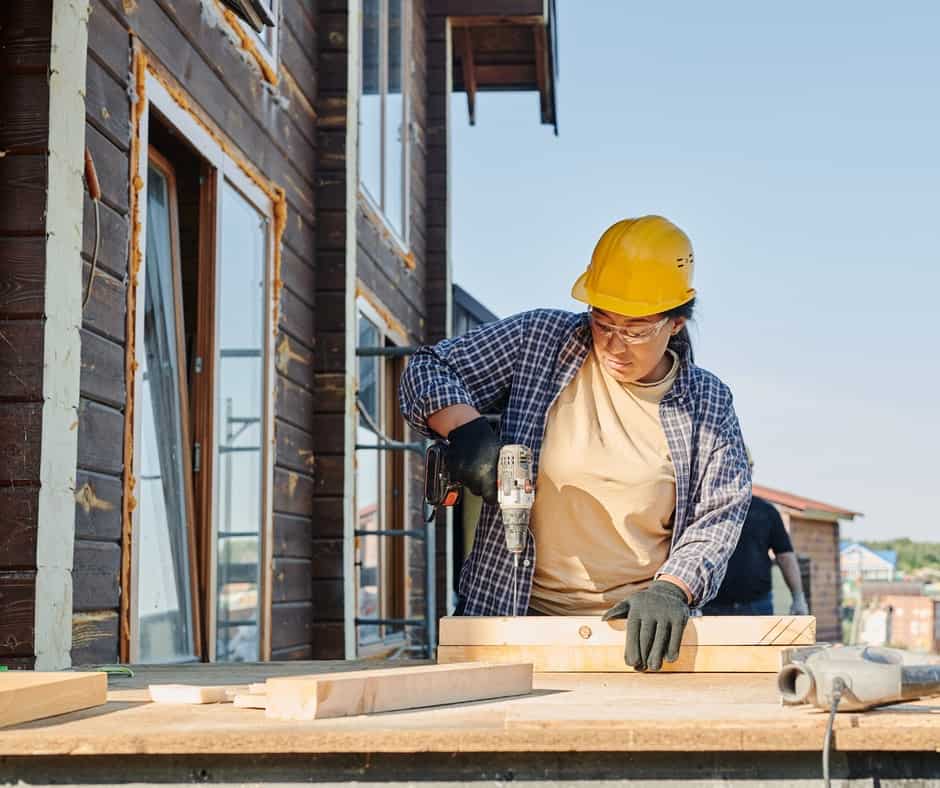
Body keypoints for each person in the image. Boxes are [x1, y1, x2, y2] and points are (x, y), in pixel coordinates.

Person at [399, 215, 751, 671]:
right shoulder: (541, 342)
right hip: (507, 617)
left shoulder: (707, 403)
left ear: (677, 322)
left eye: (636, 330)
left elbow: (719, 514)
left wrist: (674, 588)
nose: (614, 345)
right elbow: (428, 369)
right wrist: (466, 431)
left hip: (636, 635)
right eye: (603, 322)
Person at [702, 452, 809, 615]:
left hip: (757, 605)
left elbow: (785, 556)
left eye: (742, 467)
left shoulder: (766, 512)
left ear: (751, 470)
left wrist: (798, 597)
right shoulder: (705, 510)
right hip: (712, 606)